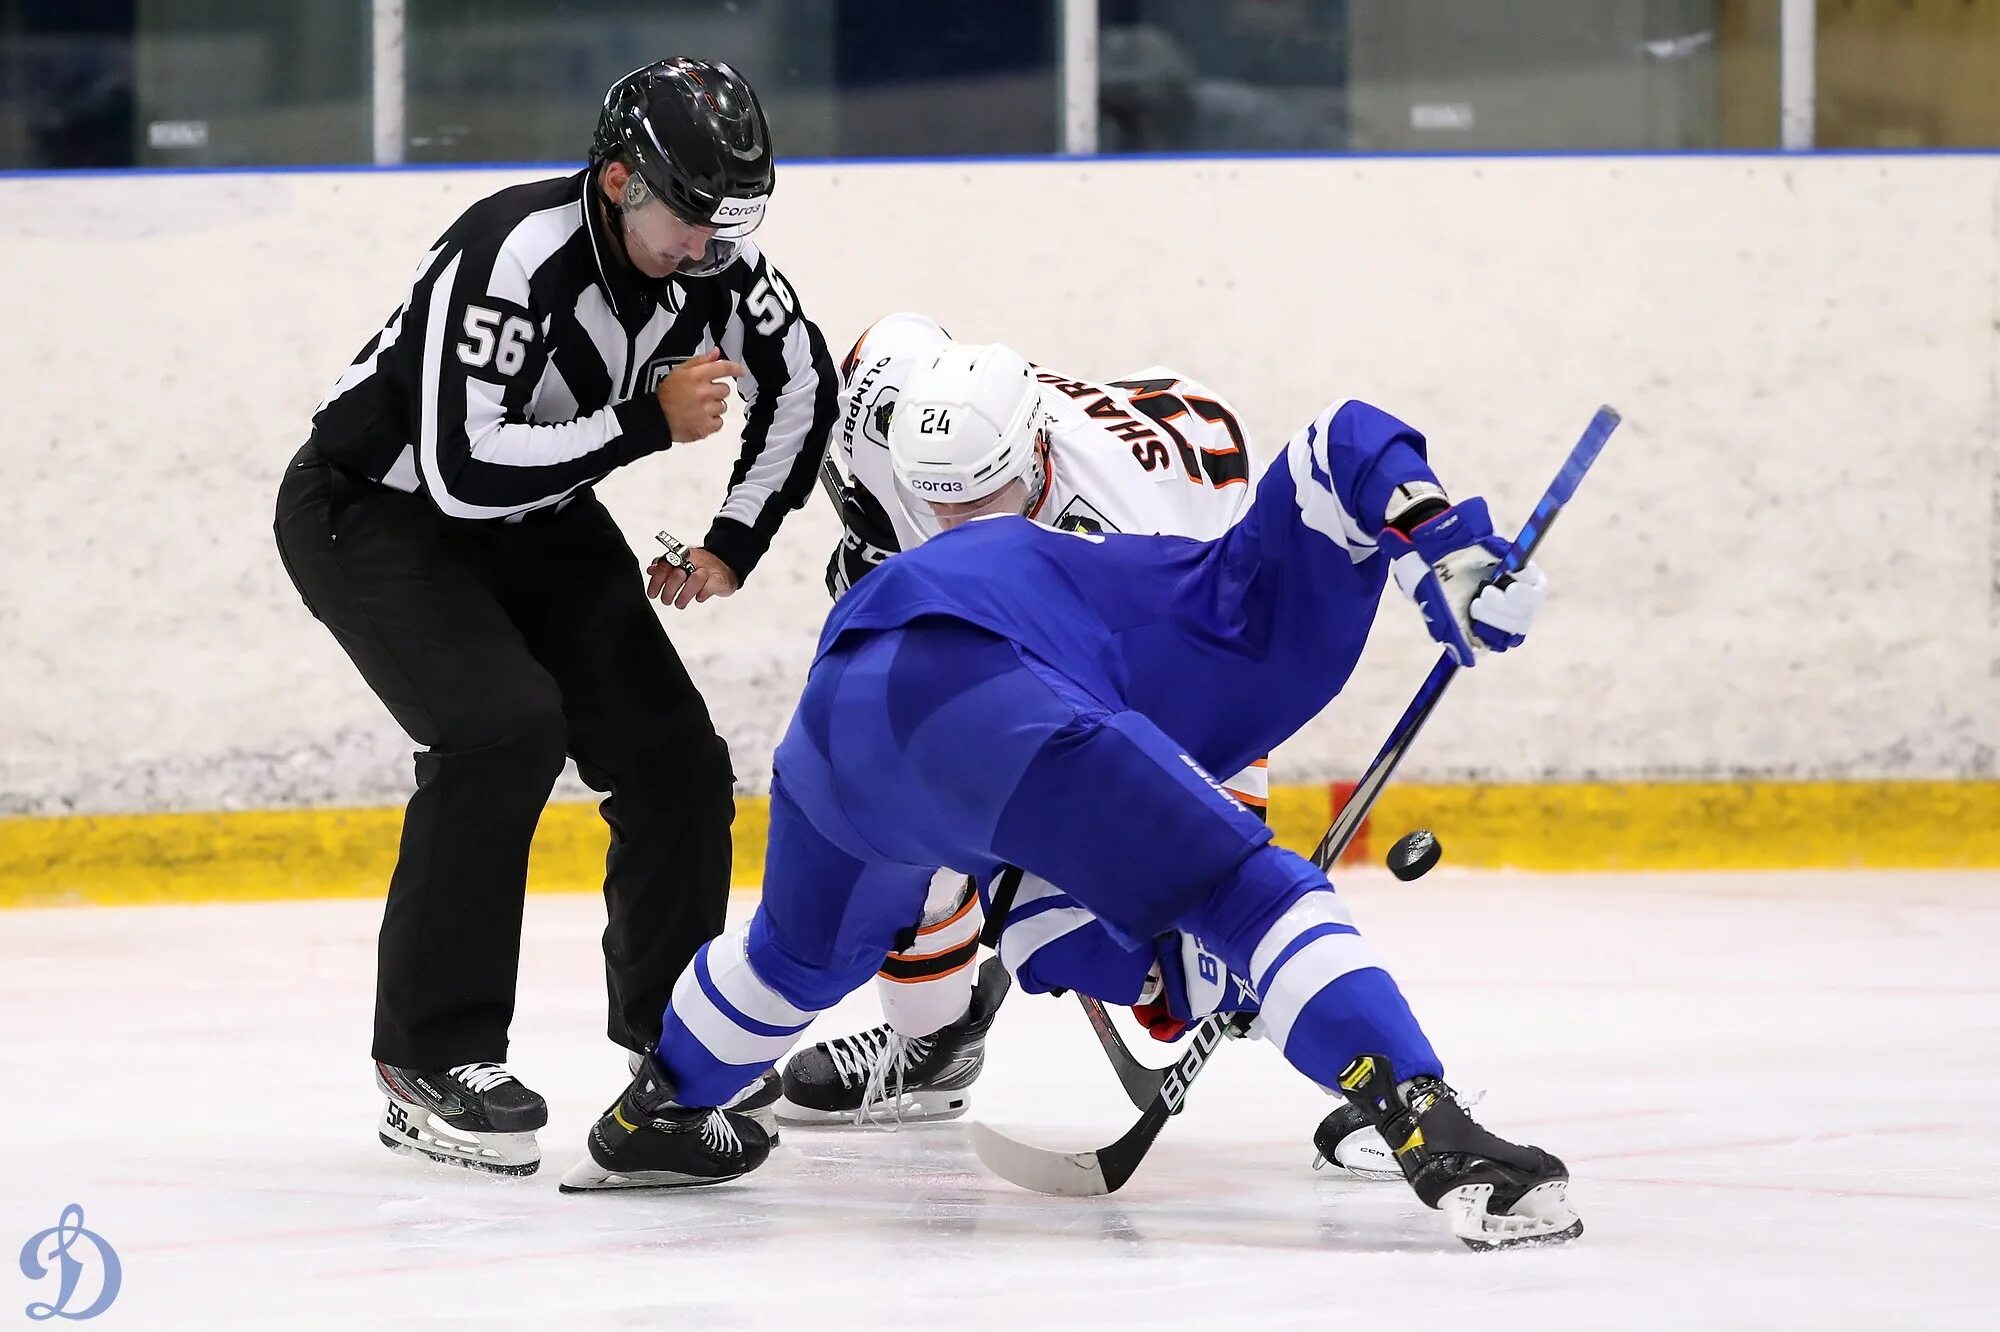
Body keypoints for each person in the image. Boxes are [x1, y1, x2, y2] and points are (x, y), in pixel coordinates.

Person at [559, 343, 1582, 1251]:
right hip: (992, 705)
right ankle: (1428, 1125)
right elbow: (1342, 439)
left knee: (791, 957)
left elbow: (1036, 903)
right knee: (1259, 901)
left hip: (836, 722)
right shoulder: (1189, 590)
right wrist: (1443, 547)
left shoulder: (1012, 534)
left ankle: (650, 1115)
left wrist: (1152, 968)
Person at [272, 58, 836, 1176]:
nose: (711, 247)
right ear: (621, 180)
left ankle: (685, 1062)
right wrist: (643, 423)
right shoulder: (509, 249)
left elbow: (803, 384)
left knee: (675, 760)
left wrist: (734, 539)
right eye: (692, 217)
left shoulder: (719, 265)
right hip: (377, 511)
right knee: (500, 728)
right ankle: (432, 1054)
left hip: (541, 509)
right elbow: (461, 468)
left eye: (735, 220)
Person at [779, 313, 1272, 1127]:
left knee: (1227, 897)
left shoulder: (1128, 541)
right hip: (1093, 501)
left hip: (1193, 526)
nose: (955, 527)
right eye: (934, 501)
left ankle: (1381, 1088)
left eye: (982, 501)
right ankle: (932, 1051)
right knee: (896, 786)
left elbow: (1228, 707)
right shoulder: (885, 390)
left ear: (1037, 453)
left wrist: (1217, 880)